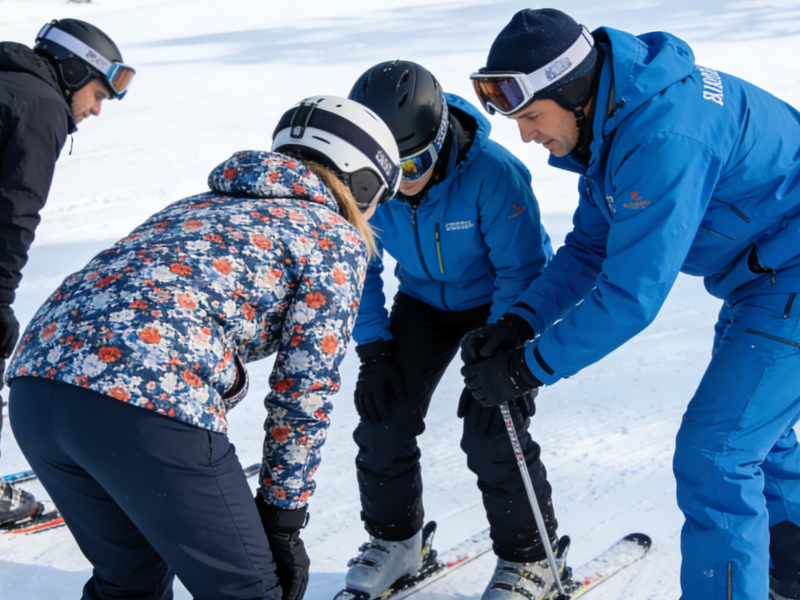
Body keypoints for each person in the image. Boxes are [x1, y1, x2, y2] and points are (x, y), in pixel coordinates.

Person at [5, 95, 401, 600]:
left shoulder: (195, 205)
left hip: (37, 389)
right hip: (142, 403)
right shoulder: (332, 235)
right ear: (362, 182)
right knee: (250, 592)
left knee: (129, 581)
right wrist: (282, 520)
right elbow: (305, 390)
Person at [464, 8, 800, 600]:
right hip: (766, 274)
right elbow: (594, 243)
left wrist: (527, 368)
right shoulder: (619, 118)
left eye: (533, 116)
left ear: (571, 89)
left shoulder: (663, 135)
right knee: (757, 437)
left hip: (789, 275)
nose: (525, 136)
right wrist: (520, 322)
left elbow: (630, 295)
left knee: (716, 454)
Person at [343, 60, 564, 600]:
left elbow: (523, 269)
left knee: (492, 431)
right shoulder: (363, 180)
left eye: (415, 160)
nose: (405, 179)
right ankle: (398, 543)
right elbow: (358, 264)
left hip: (500, 306)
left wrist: (510, 349)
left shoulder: (492, 173)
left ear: (441, 137)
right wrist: (373, 348)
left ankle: (531, 557)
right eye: (390, 167)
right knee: (383, 418)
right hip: (421, 302)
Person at [0, 18, 135, 526]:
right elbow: (14, 211)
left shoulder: (8, 83)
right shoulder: (39, 105)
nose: (96, 109)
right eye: (98, 94)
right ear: (74, 71)